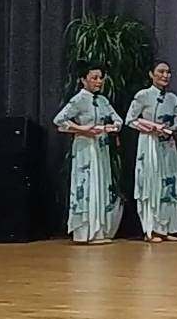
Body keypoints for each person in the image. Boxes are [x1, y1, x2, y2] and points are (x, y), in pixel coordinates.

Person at [53, 63, 124, 244]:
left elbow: (118, 120)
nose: (98, 81)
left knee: (101, 183)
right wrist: (82, 129)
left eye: (100, 78)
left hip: (101, 146)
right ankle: (85, 232)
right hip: (85, 146)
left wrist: (111, 127)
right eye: (94, 78)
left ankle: (99, 231)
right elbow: (59, 120)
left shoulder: (103, 101)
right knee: (87, 184)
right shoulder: (79, 99)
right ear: (83, 80)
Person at [126, 59, 177, 242]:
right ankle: (150, 230)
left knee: (169, 182)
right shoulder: (143, 95)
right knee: (151, 183)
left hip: (167, 143)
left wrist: (173, 128)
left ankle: (166, 227)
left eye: (167, 72)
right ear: (151, 74)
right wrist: (150, 127)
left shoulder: (173, 98)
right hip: (149, 143)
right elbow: (130, 120)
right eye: (160, 71)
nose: (165, 75)